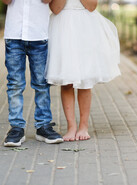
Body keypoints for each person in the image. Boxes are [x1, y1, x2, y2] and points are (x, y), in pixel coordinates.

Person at [46, 0, 121, 141]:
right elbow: (55, 8)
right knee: (66, 80)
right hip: (62, 28)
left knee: (85, 80)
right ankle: (71, 126)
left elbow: (91, 6)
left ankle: (83, 126)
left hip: (85, 29)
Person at [2, 0, 64, 147]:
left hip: (39, 35)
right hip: (14, 34)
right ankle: (16, 128)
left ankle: (43, 126)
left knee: (41, 84)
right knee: (15, 84)